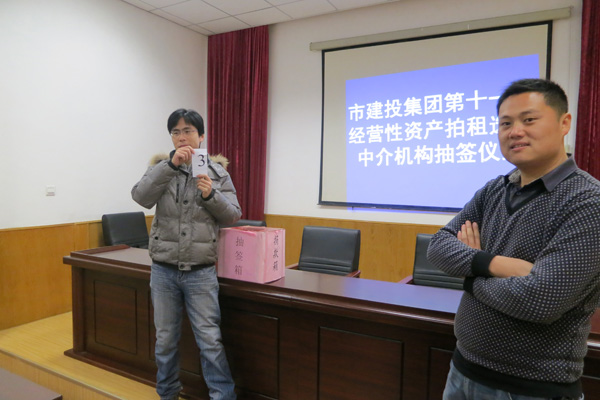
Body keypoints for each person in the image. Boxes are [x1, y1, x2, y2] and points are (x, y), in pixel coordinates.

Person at [427, 79, 600, 400]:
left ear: (564, 123)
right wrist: (494, 264)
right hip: (462, 369)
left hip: (531, 388)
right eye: (505, 123)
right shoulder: (496, 189)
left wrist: (469, 276)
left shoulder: (587, 202)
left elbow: (541, 300)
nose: (515, 131)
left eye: (529, 119)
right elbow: (438, 246)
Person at [132, 108, 240, 400]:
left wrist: (210, 195)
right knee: (165, 340)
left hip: (201, 271)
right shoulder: (161, 169)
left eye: (188, 131)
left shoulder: (217, 173)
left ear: (201, 136)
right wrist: (169, 166)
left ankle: (222, 396)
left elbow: (233, 215)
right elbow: (140, 197)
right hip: (163, 269)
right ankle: (167, 394)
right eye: (176, 132)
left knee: (210, 340)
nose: (182, 137)